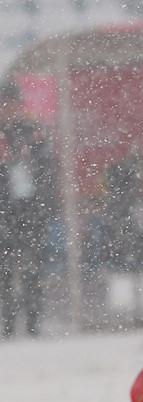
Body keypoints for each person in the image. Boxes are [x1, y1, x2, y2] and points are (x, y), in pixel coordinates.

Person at [0, 81, 60, 338]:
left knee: (32, 267)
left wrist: (44, 203)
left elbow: (47, 167)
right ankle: (8, 322)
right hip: (4, 210)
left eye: (12, 103)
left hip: (31, 210)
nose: (8, 109)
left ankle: (33, 320)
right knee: (4, 270)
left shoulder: (32, 131)